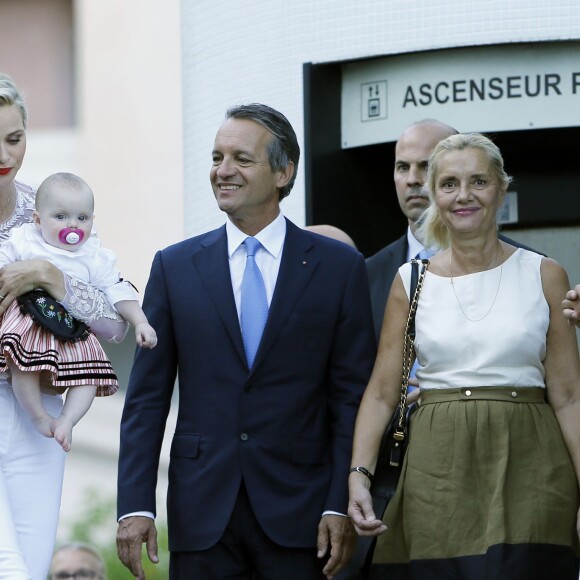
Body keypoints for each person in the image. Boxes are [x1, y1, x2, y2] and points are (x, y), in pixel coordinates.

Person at [116, 103, 376, 579]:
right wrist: (136, 505)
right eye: (216, 157)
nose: (223, 171)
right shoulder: (174, 268)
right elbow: (147, 399)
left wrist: (338, 503)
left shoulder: (339, 268)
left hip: (303, 514)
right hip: (202, 512)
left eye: (241, 158)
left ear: (283, 171)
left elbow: (351, 398)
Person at [348, 133, 580, 579]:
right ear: (434, 195)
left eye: (479, 181)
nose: (464, 195)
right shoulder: (409, 281)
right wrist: (359, 473)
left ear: (501, 188)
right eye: (450, 184)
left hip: (533, 463)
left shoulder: (545, 273)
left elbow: (569, 396)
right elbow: (381, 393)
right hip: (438, 469)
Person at [0, 73, 128, 579]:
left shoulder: (50, 208)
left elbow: (115, 324)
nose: (5, 154)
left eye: (14, 137)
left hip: (41, 409)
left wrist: (53, 278)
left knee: (29, 567)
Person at [0, 171, 157, 452]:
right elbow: (5, 263)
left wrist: (141, 322)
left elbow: (116, 289)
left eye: (81, 218)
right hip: (30, 323)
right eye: (60, 217)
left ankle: (67, 421)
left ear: (91, 221)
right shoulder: (27, 239)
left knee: (88, 377)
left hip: (70, 330)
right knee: (20, 366)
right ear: (38, 220)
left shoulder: (93, 255)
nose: (72, 225)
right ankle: (38, 416)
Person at [366, 119, 542, 340]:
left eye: (426, 166)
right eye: (402, 167)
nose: (412, 179)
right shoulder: (367, 275)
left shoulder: (534, 272)